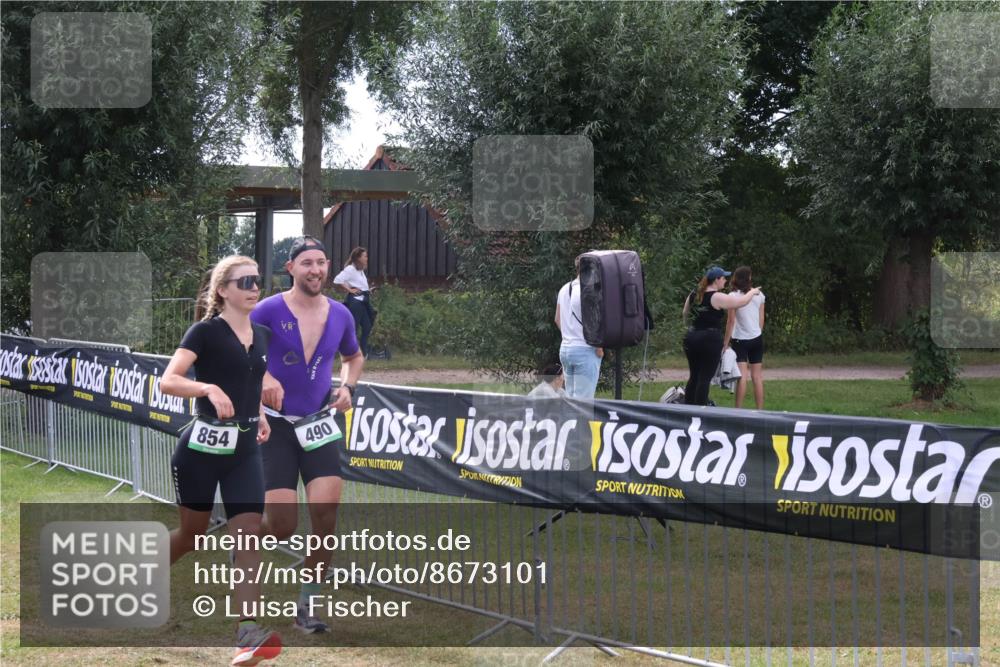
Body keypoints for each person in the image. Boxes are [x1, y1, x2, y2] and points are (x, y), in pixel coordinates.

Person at [159, 255, 282, 666]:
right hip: (200, 452)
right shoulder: (205, 332)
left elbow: (249, 382)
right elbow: (169, 379)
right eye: (244, 281)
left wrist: (260, 415)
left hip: (244, 451)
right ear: (222, 290)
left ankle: (248, 633)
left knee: (248, 536)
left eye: (257, 280)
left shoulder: (261, 335)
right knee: (192, 537)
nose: (253, 287)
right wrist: (207, 388)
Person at [251, 236, 365, 635]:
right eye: (306, 263)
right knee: (281, 525)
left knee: (325, 516)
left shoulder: (340, 314)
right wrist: (263, 376)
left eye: (320, 262)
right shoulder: (266, 310)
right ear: (291, 268)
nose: (315, 270)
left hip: (319, 425)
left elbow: (353, 356)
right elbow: (240, 351)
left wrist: (348, 386)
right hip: (276, 427)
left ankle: (308, 605)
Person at [682, 266, 761, 406]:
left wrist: (691, 330)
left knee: (694, 376)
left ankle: (688, 409)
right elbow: (741, 302)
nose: (725, 280)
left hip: (691, 338)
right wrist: (753, 292)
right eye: (723, 277)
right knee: (704, 378)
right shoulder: (717, 296)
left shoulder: (694, 293)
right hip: (709, 340)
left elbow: (685, 314)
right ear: (716, 280)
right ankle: (700, 412)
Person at [555, 256, 603, 399]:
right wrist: (599, 347)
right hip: (585, 349)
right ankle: (582, 422)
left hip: (566, 349)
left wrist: (570, 334)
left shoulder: (565, 288)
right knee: (584, 401)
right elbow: (593, 321)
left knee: (571, 398)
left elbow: (557, 319)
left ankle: (570, 422)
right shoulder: (588, 291)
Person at [724, 266, 766, 409]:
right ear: (748, 278)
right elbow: (761, 319)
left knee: (742, 377)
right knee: (757, 377)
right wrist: (756, 333)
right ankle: (760, 411)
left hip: (740, 340)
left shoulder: (732, 296)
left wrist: (725, 343)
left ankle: (738, 411)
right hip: (757, 339)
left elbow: (731, 321)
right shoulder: (759, 295)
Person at [333, 247, 377, 358]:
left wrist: (368, 291)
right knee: (354, 328)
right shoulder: (350, 269)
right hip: (355, 303)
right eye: (365, 256)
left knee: (367, 326)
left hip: (363, 301)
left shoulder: (360, 269)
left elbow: (360, 285)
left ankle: (364, 352)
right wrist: (350, 290)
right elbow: (337, 279)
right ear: (358, 258)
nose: (367, 258)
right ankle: (349, 353)